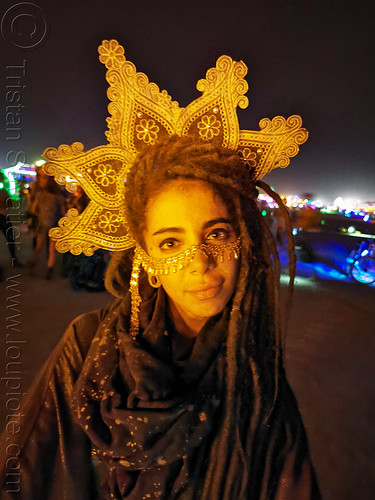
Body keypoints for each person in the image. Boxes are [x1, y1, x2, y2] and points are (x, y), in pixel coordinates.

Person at [0, 41, 320, 499]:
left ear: (243, 243)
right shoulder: (88, 350)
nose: (199, 261)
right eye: (171, 241)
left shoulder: (259, 382)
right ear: (147, 258)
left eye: (217, 234)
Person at [26, 170, 65, 279]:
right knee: (52, 249)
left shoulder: (39, 194)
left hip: (42, 223)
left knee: (39, 246)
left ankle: (32, 262)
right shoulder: (58, 196)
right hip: (54, 224)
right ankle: (49, 270)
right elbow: (63, 212)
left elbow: (33, 210)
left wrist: (41, 213)